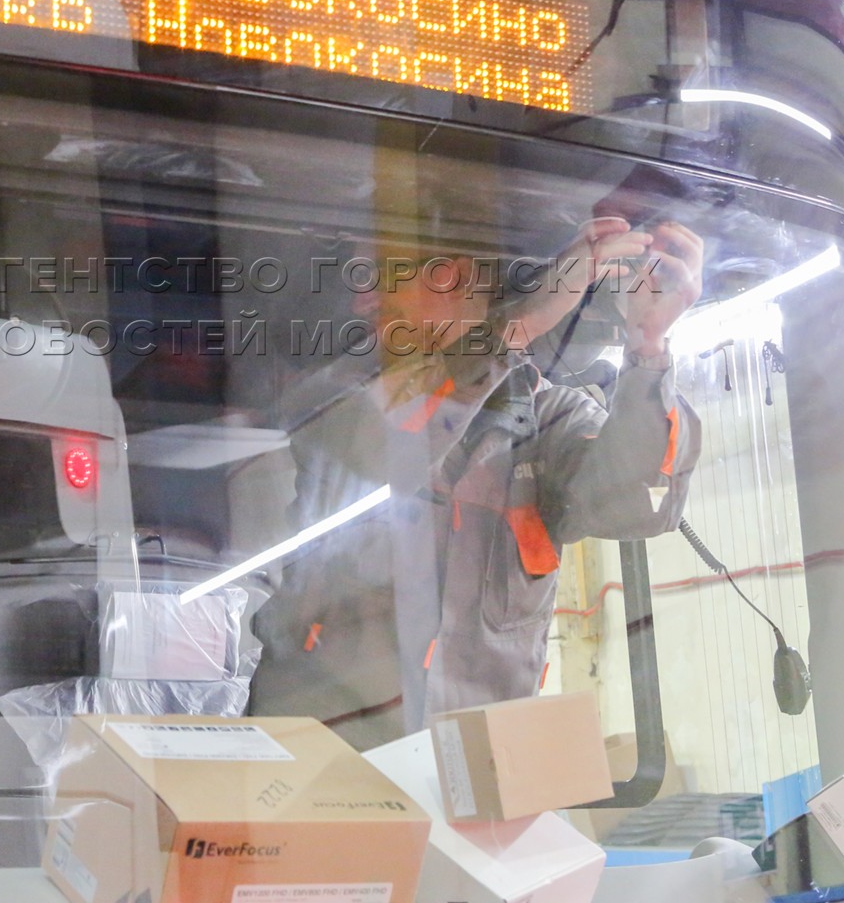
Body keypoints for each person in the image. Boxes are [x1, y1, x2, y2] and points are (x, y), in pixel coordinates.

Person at [250, 215, 705, 748]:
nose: (360, 300)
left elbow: (640, 505)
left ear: (454, 276)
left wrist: (648, 345)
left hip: (474, 769)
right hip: (322, 759)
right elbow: (391, 450)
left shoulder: (548, 417)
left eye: (376, 275)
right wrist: (520, 325)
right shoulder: (335, 395)